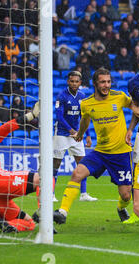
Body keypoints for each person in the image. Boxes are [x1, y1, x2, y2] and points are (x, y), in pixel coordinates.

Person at [52, 67, 139, 226]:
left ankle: (120, 208)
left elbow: (132, 103)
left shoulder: (119, 96)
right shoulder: (87, 103)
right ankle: (62, 212)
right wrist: (80, 134)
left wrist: (135, 109)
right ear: (95, 84)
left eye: (109, 82)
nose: (106, 85)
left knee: (126, 195)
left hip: (121, 153)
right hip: (101, 152)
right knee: (77, 173)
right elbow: (85, 120)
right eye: (103, 82)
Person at [0, 103, 41, 233]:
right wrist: (30, 116)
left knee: (29, 223)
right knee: (44, 178)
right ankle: (43, 213)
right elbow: (5, 128)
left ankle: (9, 224)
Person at [53, 71, 98, 203]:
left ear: (80, 83)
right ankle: (51, 194)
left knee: (82, 164)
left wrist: (87, 135)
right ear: (68, 81)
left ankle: (83, 194)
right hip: (62, 134)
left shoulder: (83, 96)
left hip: (77, 135)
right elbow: (59, 116)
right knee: (56, 164)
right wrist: (71, 130)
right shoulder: (61, 96)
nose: (74, 83)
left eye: (76, 81)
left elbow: (84, 118)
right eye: (72, 81)